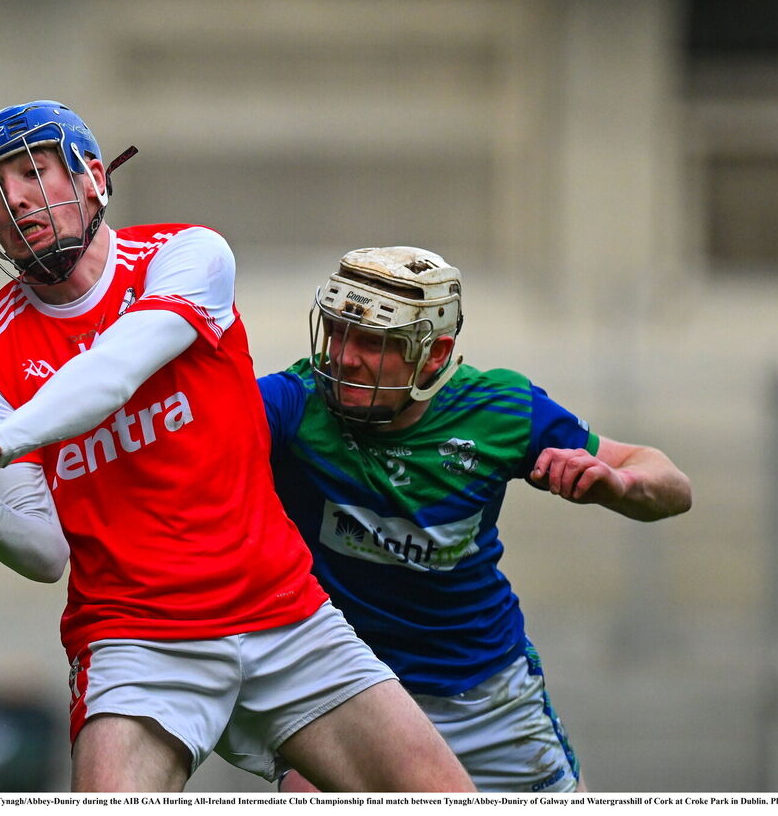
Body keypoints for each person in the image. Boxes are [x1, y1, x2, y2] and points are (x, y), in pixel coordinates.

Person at [0, 102, 475, 793]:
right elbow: (46, 553)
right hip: (136, 642)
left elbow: (114, 371)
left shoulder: (188, 255)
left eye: (31, 171)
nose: (14, 198)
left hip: (282, 612)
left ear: (88, 178)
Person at [259, 246, 693, 793]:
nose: (345, 357)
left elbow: (673, 487)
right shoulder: (293, 403)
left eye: (373, 342)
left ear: (435, 353)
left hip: (485, 693)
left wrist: (620, 483)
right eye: (340, 332)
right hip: (344, 692)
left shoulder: (501, 410)